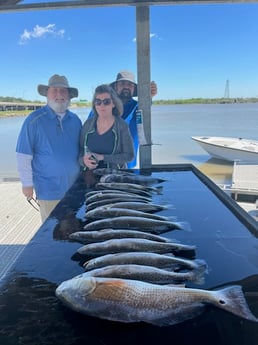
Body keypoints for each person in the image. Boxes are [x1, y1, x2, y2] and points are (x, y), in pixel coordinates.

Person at [16, 74, 82, 222]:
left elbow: (81, 151)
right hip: (48, 191)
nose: (59, 95)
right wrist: (27, 184)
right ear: (47, 94)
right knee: (52, 234)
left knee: (74, 227)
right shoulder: (33, 121)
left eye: (63, 91)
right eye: (55, 90)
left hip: (74, 190)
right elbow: (23, 156)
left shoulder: (76, 121)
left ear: (69, 96)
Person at [79, 84, 134, 171]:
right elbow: (80, 151)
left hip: (115, 177)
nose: (102, 106)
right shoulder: (87, 124)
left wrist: (102, 157)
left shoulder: (122, 126)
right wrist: (83, 161)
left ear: (113, 104)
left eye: (106, 102)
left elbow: (129, 156)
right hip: (89, 177)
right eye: (98, 102)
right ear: (95, 105)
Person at [110, 70, 158, 168]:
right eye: (122, 83)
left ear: (134, 89)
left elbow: (147, 104)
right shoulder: (103, 105)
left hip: (129, 165)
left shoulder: (139, 107)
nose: (126, 86)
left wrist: (150, 94)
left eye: (130, 84)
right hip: (105, 165)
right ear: (115, 87)